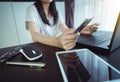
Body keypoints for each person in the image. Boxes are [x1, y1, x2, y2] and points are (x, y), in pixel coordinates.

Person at [26, 0, 98, 50]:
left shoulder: (56, 12)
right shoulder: (32, 9)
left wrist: (81, 29)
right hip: (43, 49)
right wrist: (57, 42)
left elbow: (65, 30)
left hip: (55, 48)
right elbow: (35, 35)